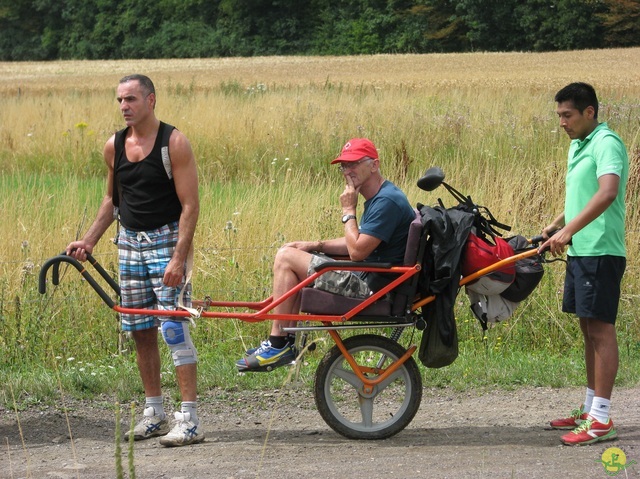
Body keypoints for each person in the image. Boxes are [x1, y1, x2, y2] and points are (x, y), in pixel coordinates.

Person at [66, 74, 203, 447]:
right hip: (129, 242)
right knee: (140, 330)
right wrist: (89, 240)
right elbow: (112, 200)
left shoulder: (173, 142)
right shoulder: (114, 145)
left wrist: (178, 258)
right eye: (120, 101)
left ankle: (189, 420)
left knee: (173, 328)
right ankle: (155, 414)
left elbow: (191, 206)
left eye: (131, 99)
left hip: (166, 240)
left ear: (151, 100)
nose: (125, 106)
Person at [237, 138, 416, 372]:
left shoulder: (386, 202)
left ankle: (278, 343)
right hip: (369, 277)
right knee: (292, 253)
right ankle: (283, 341)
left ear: (374, 165)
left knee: (285, 257)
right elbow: (362, 241)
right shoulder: (382, 195)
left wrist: (348, 210)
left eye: (354, 163)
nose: (347, 171)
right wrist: (315, 244)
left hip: (371, 288)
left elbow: (357, 251)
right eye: (344, 166)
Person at [541, 82, 628, 446]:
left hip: (601, 250)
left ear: (589, 112)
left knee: (601, 331)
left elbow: (608, 191)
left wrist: (569, 230)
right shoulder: (580, 144)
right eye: (559, 115)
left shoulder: (607, 143)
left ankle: (601, 419)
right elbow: (586, 193)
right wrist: (559, 223)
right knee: (587, 331)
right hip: (580, 250)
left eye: (567, 115)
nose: (562, 122)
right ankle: (590, 408)